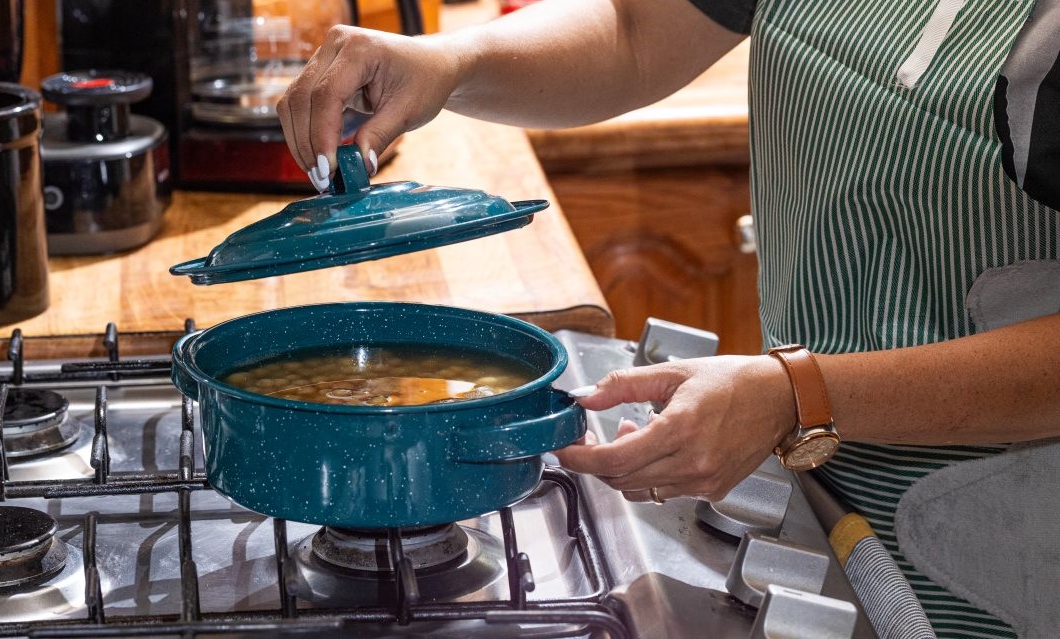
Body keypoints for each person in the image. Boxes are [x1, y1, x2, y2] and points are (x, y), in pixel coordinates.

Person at [277, 1, 1060, 637]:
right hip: (816, 473)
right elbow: (636, 31)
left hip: (1013, 544)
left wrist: (798, 392)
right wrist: (455, 62)